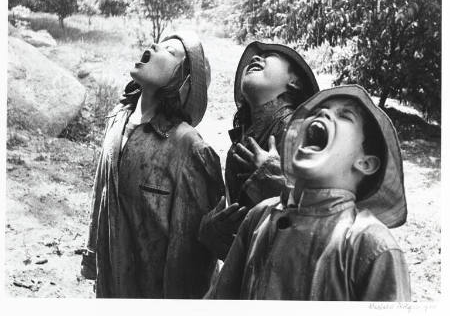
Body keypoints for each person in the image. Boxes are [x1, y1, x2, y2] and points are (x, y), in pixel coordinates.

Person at [206, 85, 410, 301]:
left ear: (365, 163)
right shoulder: (259, 216)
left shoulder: (371, 245)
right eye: (316, 111)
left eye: (344, 115)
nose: (322, 112)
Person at [80, 31, 224, 298]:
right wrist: (93, 261)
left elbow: (194, 256)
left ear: (182, 80)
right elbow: (101, 194)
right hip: (111, 284)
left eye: (170, 51)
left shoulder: (189, 147)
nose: (155, 45)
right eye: (159, 43)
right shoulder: (117, 120)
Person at [198, 42, 319, 260]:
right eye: (257, 57)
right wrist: (212, 231)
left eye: (270, 55)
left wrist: (273, 178)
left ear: (294, 82)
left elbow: (323, 223)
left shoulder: (302, 131)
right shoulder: (241, 143)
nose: (257, 58)